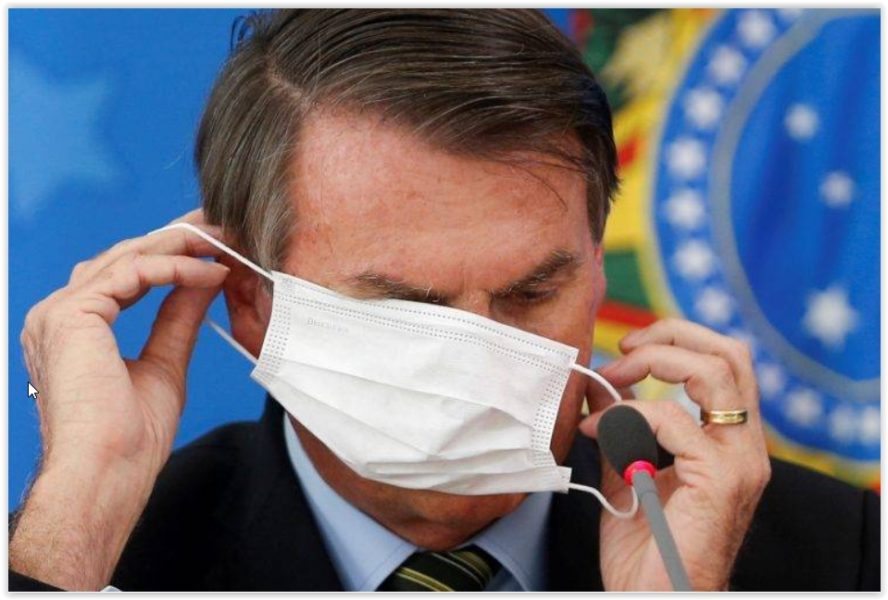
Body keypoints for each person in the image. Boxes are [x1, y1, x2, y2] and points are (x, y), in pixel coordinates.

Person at [8, 9, 879, 592]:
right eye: (404, 305)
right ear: (251, 299)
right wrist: (77, 520)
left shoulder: (841, 556)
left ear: (597, 268)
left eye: (533, 291)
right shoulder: (89, 559)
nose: (482, 366)